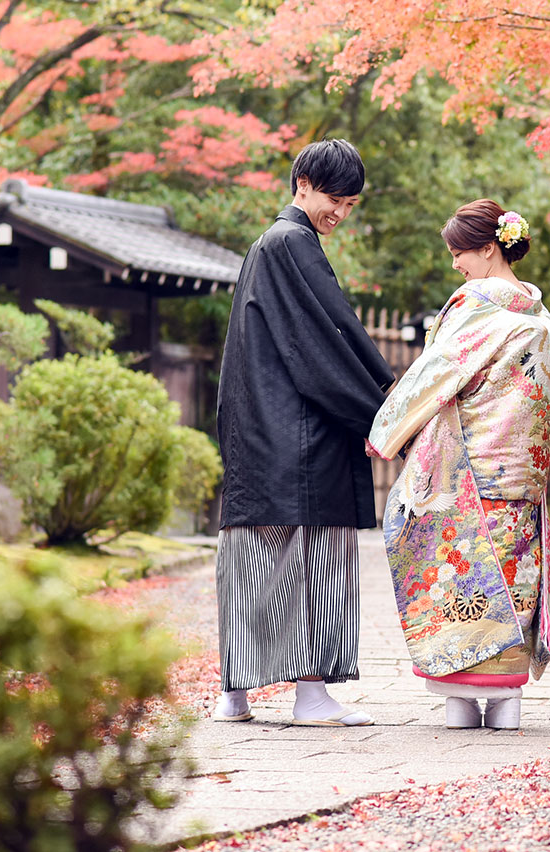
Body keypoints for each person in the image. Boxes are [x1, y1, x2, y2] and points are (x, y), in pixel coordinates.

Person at [212, 138, 396, 726]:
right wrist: (383, 409)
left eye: (350, 202)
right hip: (299, 437)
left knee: (251, 564)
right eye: (332, 198)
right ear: (301, 185)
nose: (339, 212)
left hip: (260, 433)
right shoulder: (294, 243)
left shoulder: (268, 245)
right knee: (313, 561)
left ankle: (234, 695)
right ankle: (310, 694)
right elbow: (324, 346)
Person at [366, 199, 550, 730]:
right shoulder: (541, 319)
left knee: (459, 574)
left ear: (487, 249)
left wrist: (388, 431)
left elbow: (437, 373)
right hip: (522, 473)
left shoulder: (478, 306)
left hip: (472, 468)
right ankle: (508, 704)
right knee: (512, 574)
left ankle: (459, 702)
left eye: (460, 253)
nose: (455, 264)